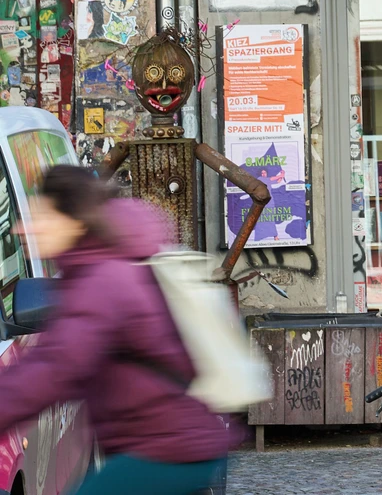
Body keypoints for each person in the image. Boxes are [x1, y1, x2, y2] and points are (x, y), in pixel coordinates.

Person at [0, 166, 232, 494]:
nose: (23, 229)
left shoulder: (101, 281)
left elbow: (53, 368)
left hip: (168, 450)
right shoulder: (96, 270)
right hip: (169, 445)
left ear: (74, 220)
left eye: (41, 215)